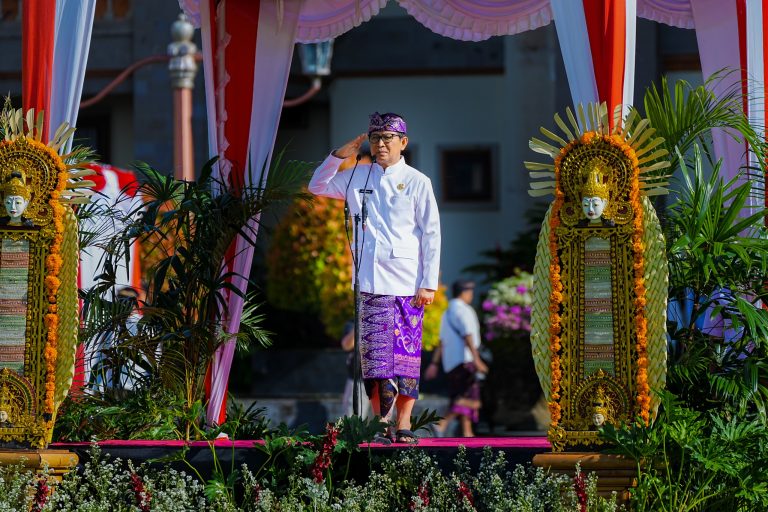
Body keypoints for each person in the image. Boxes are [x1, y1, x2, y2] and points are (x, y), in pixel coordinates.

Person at [308, 112, 441, 444]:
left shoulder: (417, 181)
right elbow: (316, 185)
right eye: (375, 138)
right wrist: (342, 153)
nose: (380, 144)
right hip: (369, 280)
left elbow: (431, 235)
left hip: (408, 283)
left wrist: (429, 282)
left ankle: (404, 422)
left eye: (387, 138)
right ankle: (380, 423)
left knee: (406, 357)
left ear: (403, 142)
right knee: (375, 357)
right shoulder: (357, 175)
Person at [425, 279, 488, 437]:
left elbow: (442, 341)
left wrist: (434, 363)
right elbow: (468, 335)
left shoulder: (446, 313)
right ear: (465, 292)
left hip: (450, 363)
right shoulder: (464, 310)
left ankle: (467, 432)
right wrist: (477, 359)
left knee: (461, 394)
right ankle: (441, 425)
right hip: (466, 360)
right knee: (472, 400)